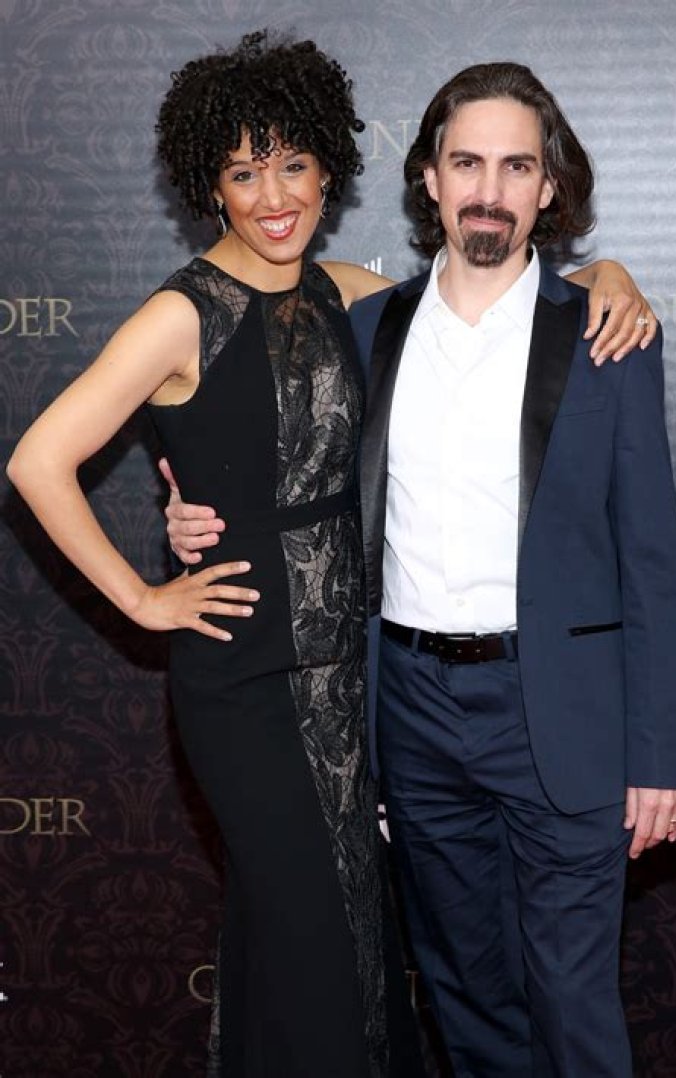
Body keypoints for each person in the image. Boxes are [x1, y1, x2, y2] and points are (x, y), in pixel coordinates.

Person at [167, 60, 676, 1078]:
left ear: (549, 186)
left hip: (565, 712)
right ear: (428, 177)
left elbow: (653, 556)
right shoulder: (367, 328)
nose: (488, 190)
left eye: (516, 166)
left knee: (572, 999)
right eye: (466, 163)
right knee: (464, 994)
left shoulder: (607, 335)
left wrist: (663, 753)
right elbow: (273, 453)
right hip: (410, 712)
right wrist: (190, 506)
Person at [7, 31, 428, 1078]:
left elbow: (492, 314)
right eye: (244, 173)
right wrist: (144, 598)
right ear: (212, 185)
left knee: (338, 940)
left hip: (345, 677)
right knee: (317, 951)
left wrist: (603, 274)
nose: (273, 197)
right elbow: (38, 461)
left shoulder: (347, 291)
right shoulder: (179, 316)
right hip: (243, 683)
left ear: (330, 168)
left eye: (293, 165)